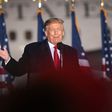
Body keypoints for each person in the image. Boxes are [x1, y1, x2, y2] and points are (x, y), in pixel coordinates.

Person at [0, 18, 80, 87]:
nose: (56, 33)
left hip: (65, 99)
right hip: (40, 99)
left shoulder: (71, 52)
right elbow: (18, 70)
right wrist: (7, 58)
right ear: (46, 33)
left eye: (59, 30)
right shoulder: (33, 49)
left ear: (62, 32)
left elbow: (76, 77)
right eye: (52, 30)